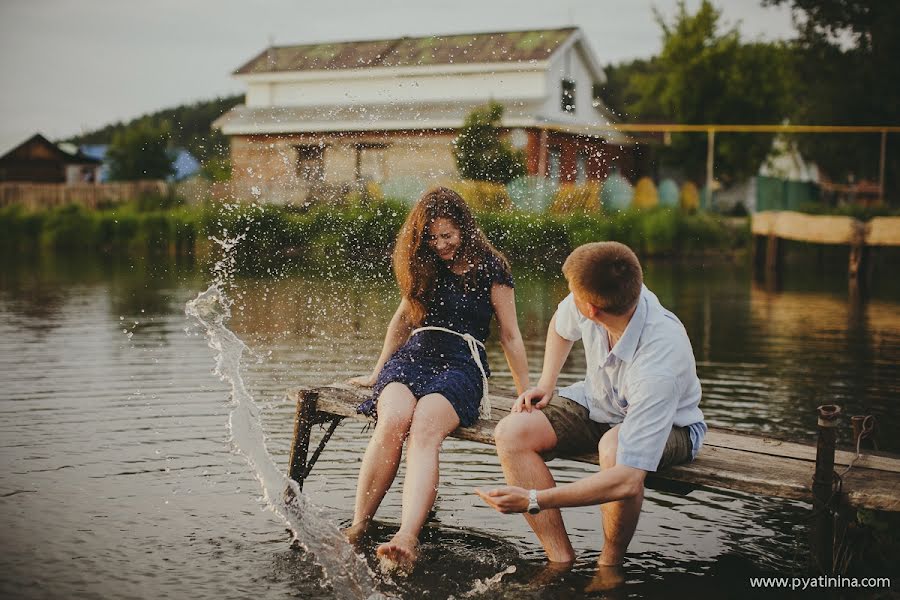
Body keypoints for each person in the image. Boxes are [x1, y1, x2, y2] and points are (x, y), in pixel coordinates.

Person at [476, 241, 706, 585]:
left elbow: (628, 481)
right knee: (512, 432)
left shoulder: (659, 361)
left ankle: (608, 567)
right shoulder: (600, 302)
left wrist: (534, 499)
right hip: (602, 401)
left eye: (573, 295)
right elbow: (559, 324)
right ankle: (559, 560)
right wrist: (546, 382)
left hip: (675, 427)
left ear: (592, 309)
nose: (569, 299)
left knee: (614, 449)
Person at [347, 186, 529, 573]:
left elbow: (510, 335)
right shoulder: (423, 264)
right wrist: (379, 370)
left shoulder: (491, 267)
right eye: (431, 237)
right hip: (414, 356)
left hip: (461, 364)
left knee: (425, 427)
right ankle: (360, 524)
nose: (441, 244)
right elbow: (402, 320)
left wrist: (525, 390)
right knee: (393, 417)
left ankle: (407, 537)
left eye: (448, 235)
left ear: (465, 228)